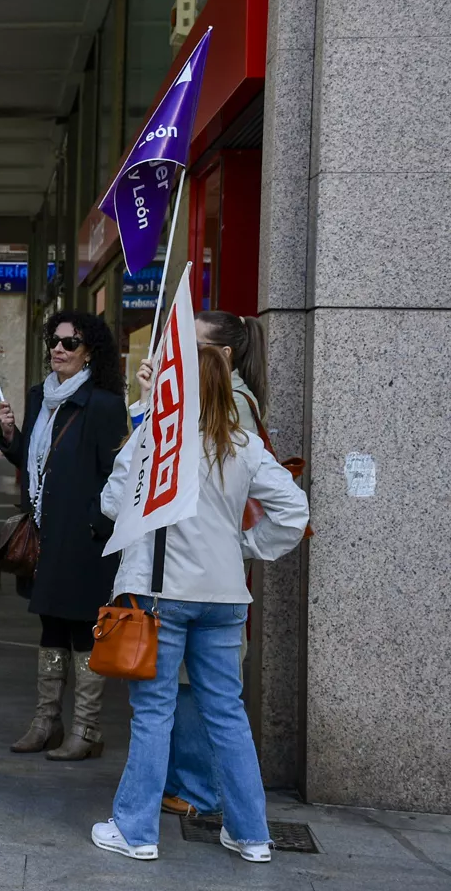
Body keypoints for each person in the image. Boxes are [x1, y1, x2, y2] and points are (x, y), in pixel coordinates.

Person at [91, 346, 309, 863]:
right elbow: (294, 512)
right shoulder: (244, 446)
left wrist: (145, 421)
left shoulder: (155, 438)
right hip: (225, 597)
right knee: (227, 715)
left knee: (154, 713)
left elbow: (111, 502)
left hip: (161, 596)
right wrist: (246, 547)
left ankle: (136, 831)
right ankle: (251, 834)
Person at [0, 311, 127, 761]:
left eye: (70, 343)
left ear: (89, 352)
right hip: (47, 533)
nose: (58, 348)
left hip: (85, 539)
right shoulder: (41, 397)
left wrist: (95, 524)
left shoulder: (103, 404)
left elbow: (118, 476)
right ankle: (46, 722)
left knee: (85, 629)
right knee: (51, 626)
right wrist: (10, 435)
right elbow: (33, 461)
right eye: (54, 339)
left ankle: (87, 729)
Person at [161, 310, 269, 818]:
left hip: (202, 572)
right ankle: (228, 811)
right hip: (211, 572)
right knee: (209, 692)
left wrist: (243, 545)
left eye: (194, 343)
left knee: (199, 691)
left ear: (223, 356)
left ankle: (197, 789)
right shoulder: (223, 398)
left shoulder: (232, 405)